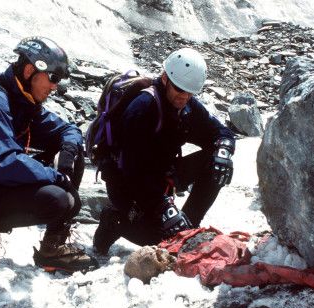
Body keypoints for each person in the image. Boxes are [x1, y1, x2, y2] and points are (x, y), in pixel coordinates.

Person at [0, 36, 98, 275]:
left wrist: (68, 153)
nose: (55, 86)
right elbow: (5, 163)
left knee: (72, 155)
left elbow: (67, 130)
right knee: (59, 199)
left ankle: (53, 247)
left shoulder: (23, 100)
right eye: (53, 78)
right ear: (30, 70)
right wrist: (56, 176)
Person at [93, 48, 236, 254]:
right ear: (165, 79)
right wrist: (162, 206)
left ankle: (187, 228)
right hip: (128, 184)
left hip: (161, 174)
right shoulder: (142, 108)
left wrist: (224, 149)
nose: (184, 97)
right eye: (179, 89)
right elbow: (132, 171)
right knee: (156, 239)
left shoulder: (185, 105)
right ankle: (113, 221)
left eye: (190, 92)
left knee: (216, 163)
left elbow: (220, 132)